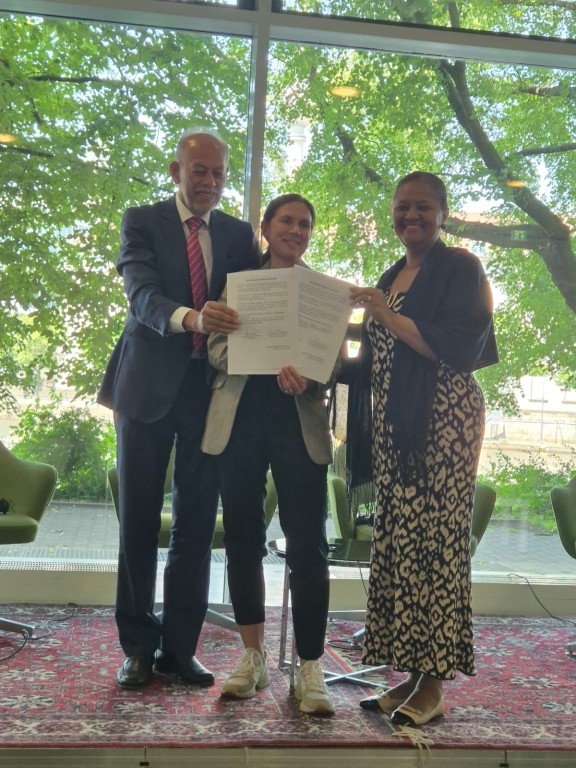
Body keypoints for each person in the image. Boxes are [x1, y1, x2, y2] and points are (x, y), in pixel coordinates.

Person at [98, 130, 261, 688]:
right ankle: (138, 649)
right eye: (199, 171)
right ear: (176, 171)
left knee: (194, 525)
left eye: (219, 173)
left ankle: (180, 649)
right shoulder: (142, 221)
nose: (210, 182)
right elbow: (141, 295)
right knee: (139, 520)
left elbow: (260, 300)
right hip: (144, 388)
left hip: (209, 393)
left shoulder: (238, 234)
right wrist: (192, 318)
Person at [346, 171, 498, 726]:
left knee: (435, 542)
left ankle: (433, 685)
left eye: (423, 207)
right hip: (397, 428)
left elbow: (455, 346)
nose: (411, 216)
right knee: (402, 543)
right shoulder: (392, 275)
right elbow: (374, 359)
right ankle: (411, 675)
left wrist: (383, 313)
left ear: (443, 214)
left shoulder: (461, 267)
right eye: (402, 207)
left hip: (444, 421)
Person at [202, 194, 337, 715]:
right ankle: (253, 657)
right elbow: (214, 348)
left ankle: (310, 667)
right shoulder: (239, 284)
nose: (295, 230)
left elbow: (332, 362)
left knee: (308, 547)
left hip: (299, 426)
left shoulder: (321, 292)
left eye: (305, 224)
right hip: (239, 423)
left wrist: (311, 376)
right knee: (242, 538)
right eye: (286, 221)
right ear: (266, 226)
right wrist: (247, 352)